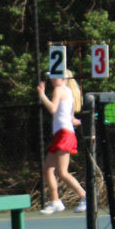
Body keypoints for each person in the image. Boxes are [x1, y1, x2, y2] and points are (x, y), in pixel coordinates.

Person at [36, 70, 87, 214]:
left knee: (62, 172)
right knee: (47, 169)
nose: (53, 79)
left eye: (56, 77)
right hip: (62, 134)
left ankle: (84, 196)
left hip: (65, 134)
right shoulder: (69, 91)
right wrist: (83, 122)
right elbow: (72, 120)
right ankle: (55, 201)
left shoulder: (59, 89)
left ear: (64, 79)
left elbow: (53, 109)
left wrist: (42, 95)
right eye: (52, 77)